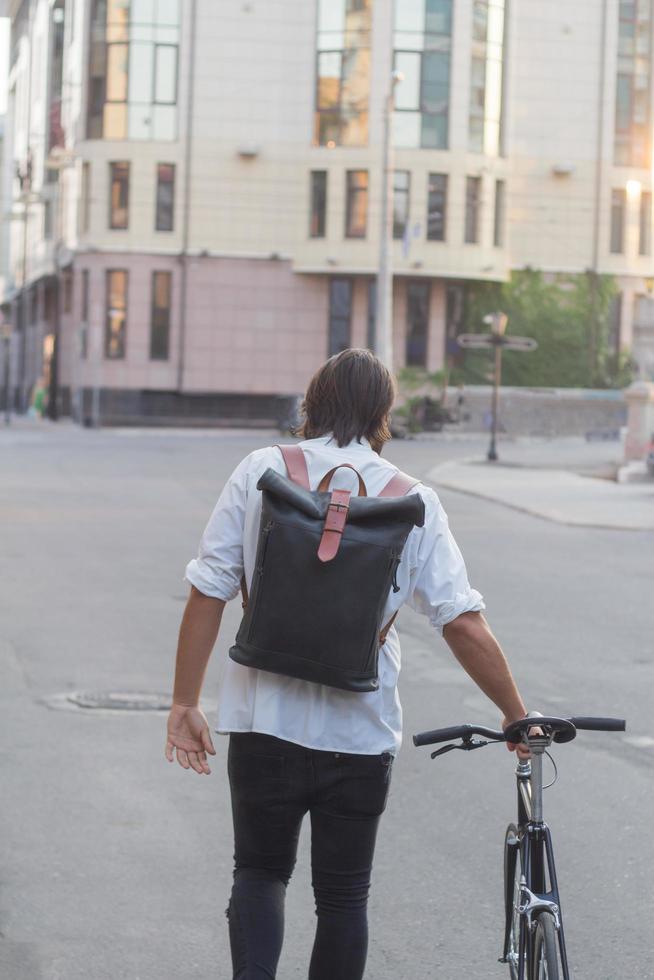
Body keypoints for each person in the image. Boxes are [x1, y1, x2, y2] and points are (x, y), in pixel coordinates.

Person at [165, 348, 530, 980]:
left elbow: (209, 589)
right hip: (358, 734)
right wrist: (515, 714)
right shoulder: (414, 499)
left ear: (312, 402)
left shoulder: (260, 470)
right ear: (384, 413)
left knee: (258, 874)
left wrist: (184, 702)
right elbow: (460, 622)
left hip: (262, 721)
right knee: (342, 899)